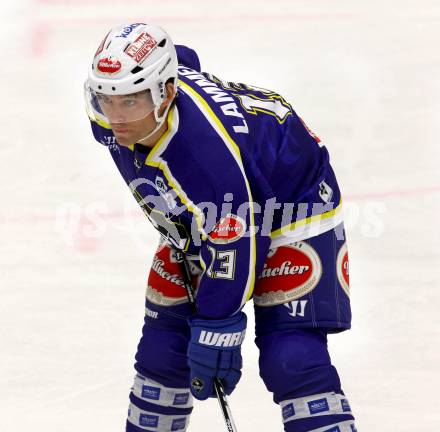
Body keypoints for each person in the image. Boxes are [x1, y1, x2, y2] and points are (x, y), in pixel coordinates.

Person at [84, 22, 357, 432]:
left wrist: (217, 323)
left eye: (132, 102)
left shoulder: (205, 158)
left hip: (292, 206)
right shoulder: (108, 113)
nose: (116, 118)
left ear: (166, 93)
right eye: (108, 99)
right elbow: (186, 57)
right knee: (164, 352)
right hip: (204, 214)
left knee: (292, 357)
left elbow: (241, 240)